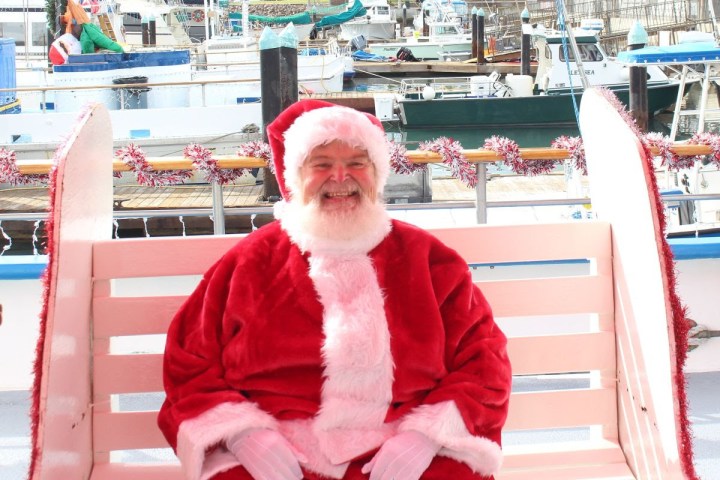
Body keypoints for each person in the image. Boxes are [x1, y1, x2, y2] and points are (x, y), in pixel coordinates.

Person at [158, 99, 512, 480]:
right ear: (296, 176)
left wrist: (428, 437)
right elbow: (189, 362)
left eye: (357, 163)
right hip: (280, 451)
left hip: (402, 448)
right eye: (322, 164)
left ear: (377, 174)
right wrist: (243, 434)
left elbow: (484, 358)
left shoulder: (431, 261)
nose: (340, 178)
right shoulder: (249, 262)